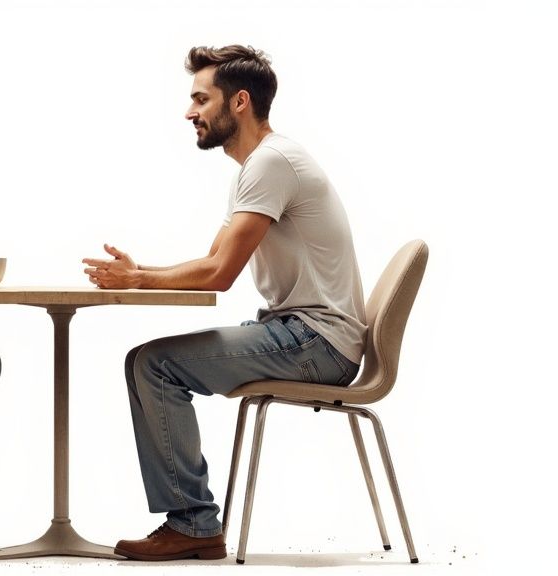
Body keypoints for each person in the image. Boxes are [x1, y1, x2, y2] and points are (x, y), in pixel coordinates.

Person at [82, 45, 367, 561]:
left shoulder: (272, 164)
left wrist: (141, 279)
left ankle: (193, 524)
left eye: (200, 99)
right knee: (148, 362)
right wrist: (140, 274)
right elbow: (213, 261)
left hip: (316, 340)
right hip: (304, 333)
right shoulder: (254, 168)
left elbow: (220, 274)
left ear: (238, 102)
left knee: (154, 363)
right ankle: (191, 521)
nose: (189, 112)